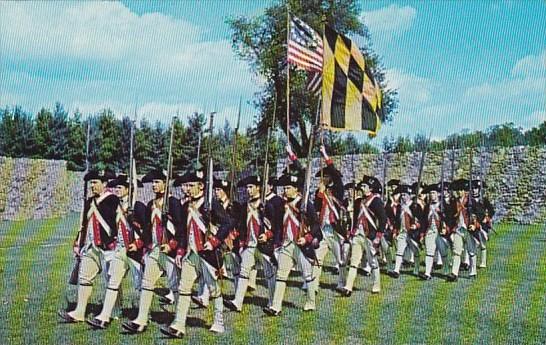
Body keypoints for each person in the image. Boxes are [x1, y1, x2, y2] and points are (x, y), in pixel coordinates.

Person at [160, 168, 234, 337]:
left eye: (190, 185)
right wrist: (179, 251)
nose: (187, 189)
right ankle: (178, 325)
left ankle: (218, 322)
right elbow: (182, 231)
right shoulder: (186, 205)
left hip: (208, 254)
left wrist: (214, 241)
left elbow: (228, 223)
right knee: (184, 288)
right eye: (185, 185)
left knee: (214, 289)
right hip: (190, 253)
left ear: (201, 186)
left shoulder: (211, 204)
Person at [122, 169, 184, 333]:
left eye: (157, 182)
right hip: (155, 250)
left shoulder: (173, 203)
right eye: (153, 183)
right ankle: (141, 320)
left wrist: (172, 245)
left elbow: (181, 228)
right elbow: (148, 230)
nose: (154, 186)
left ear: (165, 183)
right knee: (146, 283)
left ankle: (179, 321)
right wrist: (140, 243)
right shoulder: (150, 204)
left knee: (175, 286)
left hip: (169, 251)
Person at [58, 169, 120, 324]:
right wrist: (79, 243)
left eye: (95, 182)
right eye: (91, 182)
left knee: (111, 280)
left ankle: (113, 310)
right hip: (90, 246)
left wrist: (95, 203)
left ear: (104, 184)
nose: (92, 185)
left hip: (108, 247)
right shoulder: (89, 202)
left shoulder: (112, 199)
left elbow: (112, 220)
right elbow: (84, 225)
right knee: (84, 278)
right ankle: (79, 311)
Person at [224, 175, 279, 312]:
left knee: (269, 274)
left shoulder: (267, 206)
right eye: (247, 187)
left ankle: (273, 303)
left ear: (258, 188)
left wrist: (267, 235)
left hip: (264, 246)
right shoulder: (244, 207)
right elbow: (241, 225)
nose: (248, 190)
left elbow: (276, 227)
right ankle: (237, 302)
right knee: (244, 272)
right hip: (249, 245)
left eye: (251, 187)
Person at [339, 175, 386, 296]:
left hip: (370, 235)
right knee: (354, 262)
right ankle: (348, 287)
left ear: (370, 189)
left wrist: (379, 235)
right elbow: (354, 218)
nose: (362, 188)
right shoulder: (358, 201)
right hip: (358, 235)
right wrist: (353, 230)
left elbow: (382, 219)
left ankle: (376, 284)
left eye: (364, 186)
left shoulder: (376, 201)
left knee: (373, 262)